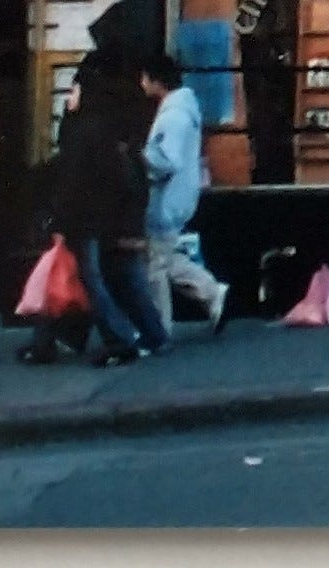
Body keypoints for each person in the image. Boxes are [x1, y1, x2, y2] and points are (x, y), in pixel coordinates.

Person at [19, 62, 171, 367]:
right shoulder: (114, 124)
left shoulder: (82, 128)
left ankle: (116, 339)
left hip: (85, 218)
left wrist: (60, 219)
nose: (69, 96)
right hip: (117, 215)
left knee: (88, 277)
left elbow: (71, 179)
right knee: (121, 275)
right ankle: (150, 334)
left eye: (73, 89)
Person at [137, 53, 234, 336]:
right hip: (176, 198)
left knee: (154, 266)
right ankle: (212, 292)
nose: (142, 83)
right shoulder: (180, 110)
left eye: (145, 77)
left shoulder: (175, 115)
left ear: (157, 80)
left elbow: (167, 160)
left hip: (167, 200)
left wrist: (141, 158)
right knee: (162, 260)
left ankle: (158, 329)